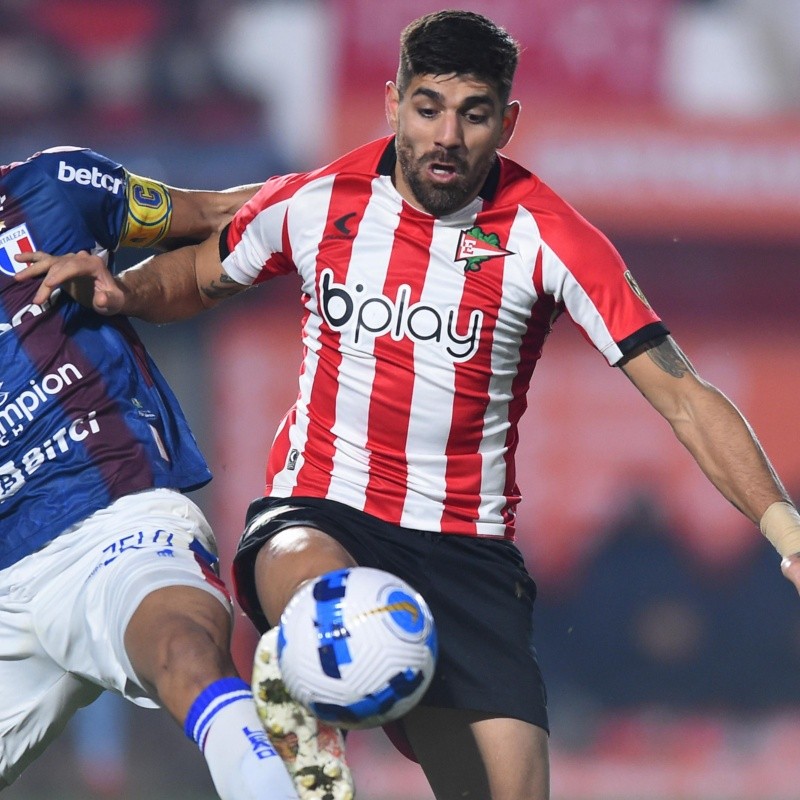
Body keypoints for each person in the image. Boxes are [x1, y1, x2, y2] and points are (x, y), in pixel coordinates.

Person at [17, 10, 800, 800]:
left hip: (467, 553)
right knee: (321, 586)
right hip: (319, 513)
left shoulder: (550, 237)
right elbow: (198, 276)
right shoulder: (324, 202)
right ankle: (297, 680)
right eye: (428, 108)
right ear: (394, 103)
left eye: (474, 113)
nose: (447, 136)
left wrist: (785, 530)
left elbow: (684, 398)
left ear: (508, 121)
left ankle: (322, 682)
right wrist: (127, 289)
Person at [0, 146, 333, 800]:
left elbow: (216, 212)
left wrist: (373, 183)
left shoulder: (48, 190)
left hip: (111, 525)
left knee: (182, 649)